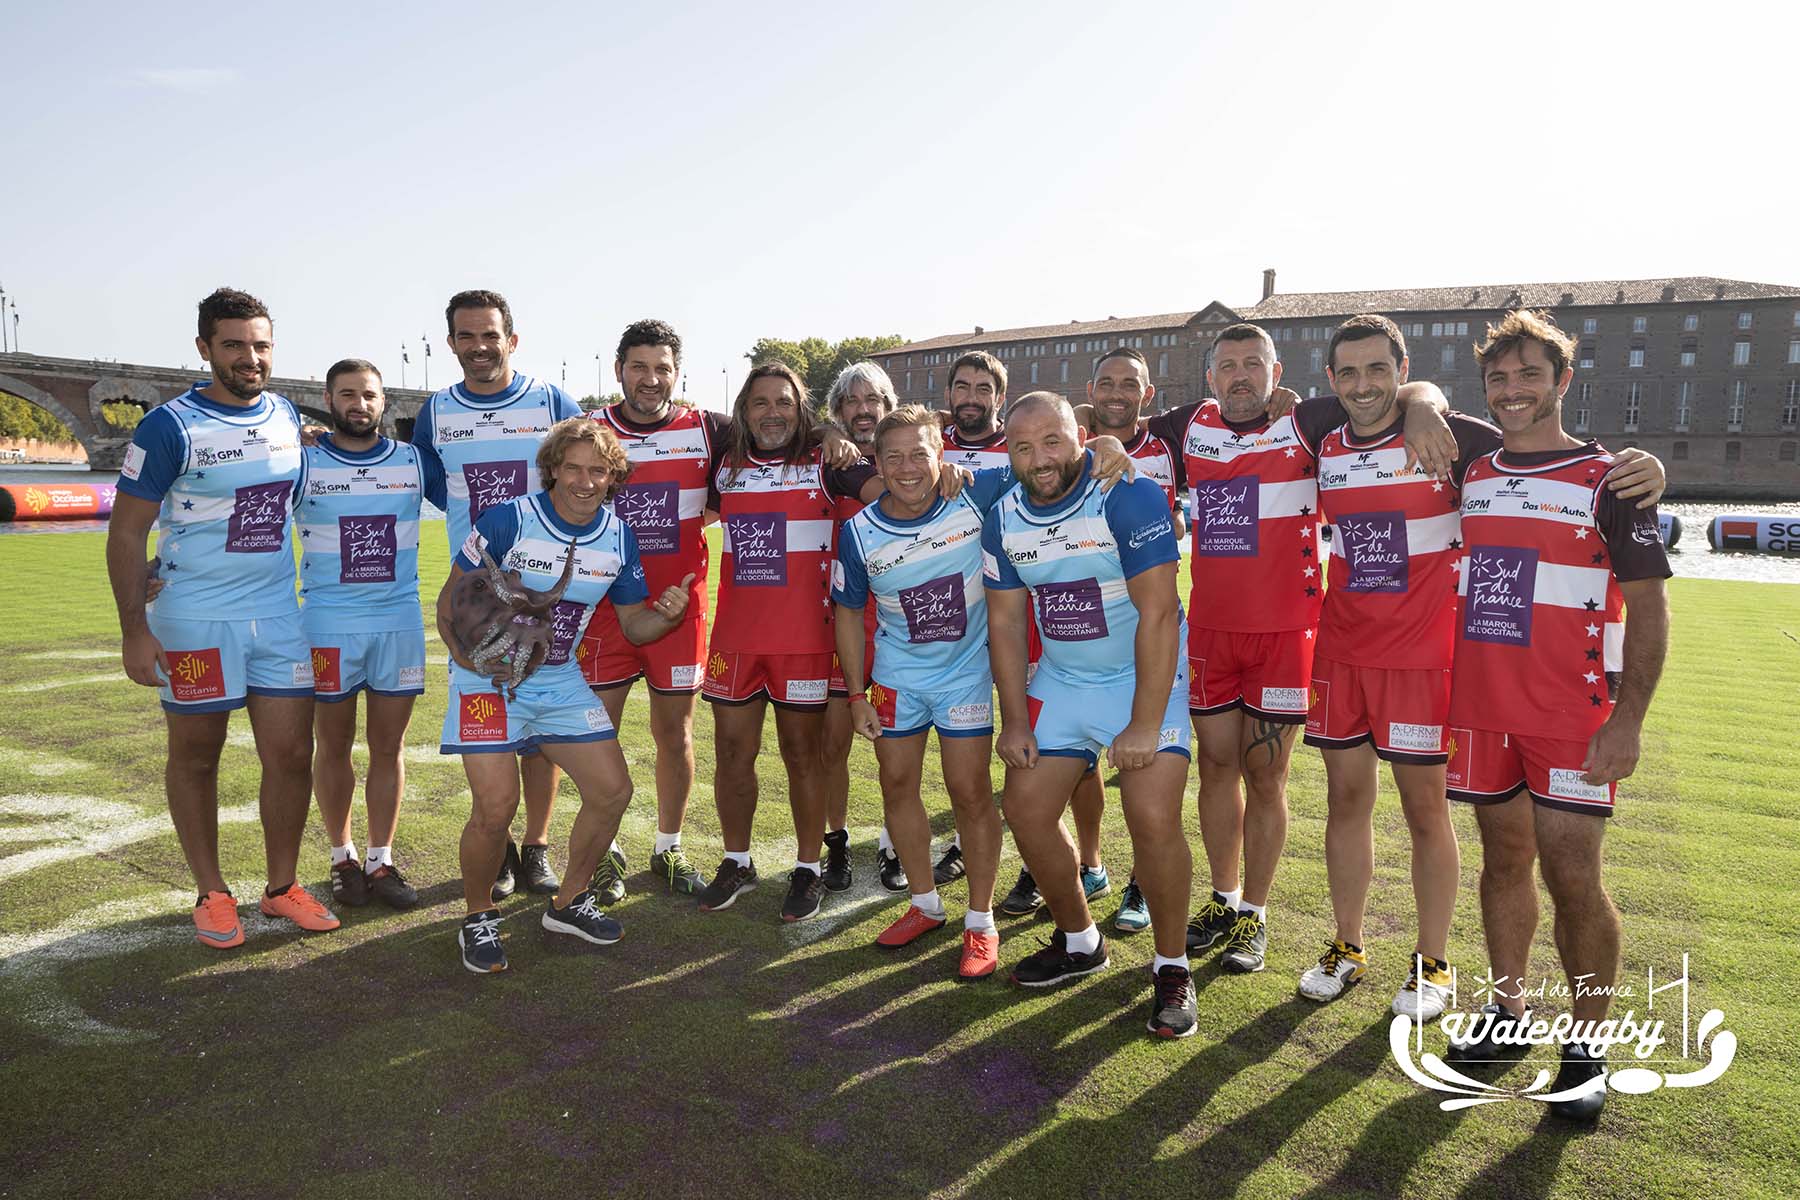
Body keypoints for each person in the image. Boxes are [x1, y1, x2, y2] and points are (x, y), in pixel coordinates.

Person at [1302, 315, 1667, 1019]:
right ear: (1330, 380)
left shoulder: (1466, 445)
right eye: (1348, 372)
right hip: (1354, 658)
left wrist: (1650, 468)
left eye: (1380, 369)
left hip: (1435, 666)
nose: (1362, 384)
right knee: (1373, 812)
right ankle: (1354, 951)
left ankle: (1439, 969)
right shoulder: (1333, 432)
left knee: (1456, 827)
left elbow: (1560, 471)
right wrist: (1419, 400)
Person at [1142, 324, 1457, 975]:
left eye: (1252, 364)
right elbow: (1122, 424)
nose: (1239, 376)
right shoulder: (1188, 426)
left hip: (1288, 634)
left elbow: (1398, 395)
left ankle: (1255, 915)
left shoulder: (1306, 421)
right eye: (1226, 366)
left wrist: (1426, 401)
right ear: (1209, 378)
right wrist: (1089, 418)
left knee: (1267, 776)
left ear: (1275, 369)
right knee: (1215, 769)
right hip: (1211, 632)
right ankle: (1224, 900)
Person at [1441, 310, 1671, 1122]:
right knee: (1502, 863)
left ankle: (1586, 1048)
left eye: (1530, 375)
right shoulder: (1469, 465)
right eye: (1499, 378)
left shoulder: (1612, 479)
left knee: (1574, 876)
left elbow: (1648, 608)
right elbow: (1403, 399)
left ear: (1563, 381)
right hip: (1482, 709)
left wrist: (1628, 719)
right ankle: (1508, 1017)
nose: (1513, 391)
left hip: (1573, 714)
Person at [106, 287, 338, 947]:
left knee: (294, 754)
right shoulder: (168, 426)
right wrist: (133, 631)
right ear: (205, 348)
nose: (249, 357)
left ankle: (282, 887)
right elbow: (126, 535)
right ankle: (211, 892)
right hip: (196, 620)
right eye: (233, 345)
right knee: (199, 754)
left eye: (260, 345)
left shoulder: (288, 415)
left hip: (276, 614)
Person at [437, 418, 693, 973]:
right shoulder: (509, 519)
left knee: (612, 791)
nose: (584, 480)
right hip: (488, 683)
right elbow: (449, 602)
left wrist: (665, 616)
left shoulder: (618, 536)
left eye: (597, 470)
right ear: (552, 469)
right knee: (495, 807)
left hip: (558, 681)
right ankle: (478, 917)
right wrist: (476, 665)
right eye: (573, 468)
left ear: (612, 476)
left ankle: (569, 901)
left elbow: (633, 627)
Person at [982, 392, 1199, 1039]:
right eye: (1023, 448)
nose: (1040, 459)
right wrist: (1015, 720)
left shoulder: (1125, 493)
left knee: (1154, 815)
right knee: (1024, 808)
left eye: (1052, 442)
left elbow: (1160, 614)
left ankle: (1171, 966)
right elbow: (1005, 620)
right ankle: (1081, 942)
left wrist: (1141, 721)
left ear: (1080, 435)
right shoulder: (1004, 514)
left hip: (1144, 676)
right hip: (1065, 681)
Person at [699, 362, 944, 922]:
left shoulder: (824, 461)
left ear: (801, 408)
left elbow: (888, 488)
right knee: (733, 755)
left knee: (803, 758)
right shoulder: (725, 461)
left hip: (806, 641)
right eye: (760, 402)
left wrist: (938, 481)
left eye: (784, 402)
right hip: (735, 639)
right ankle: (737, 860)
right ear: (744, 409)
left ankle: (808, 868)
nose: (772, 412)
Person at [413, 290, 583, 901]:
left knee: (541, 736)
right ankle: (504, 847)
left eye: (490, 335)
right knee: (491, 730)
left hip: (544, 597)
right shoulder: (435, 413)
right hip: (478, 601)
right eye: (466, 336)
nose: (479, 347)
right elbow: (438, 487)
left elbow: (588, 467)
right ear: (451, 343)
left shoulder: (551, 402)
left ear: (512, 339)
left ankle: (536, 847)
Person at [935, 351, 1113, 921]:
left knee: (1075, 764)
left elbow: (1082, 452)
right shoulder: (962, 460)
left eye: (982, 387)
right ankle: (1038, 865)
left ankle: (1088, 862)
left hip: (1051, 632)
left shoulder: (1027, 449)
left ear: (998, 396)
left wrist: (1108, 446)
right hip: (983, 627)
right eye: (961, 385)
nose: (971, 394)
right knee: (1025, 763)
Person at [833, 406, 1004, 977]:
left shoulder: (975, 496)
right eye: (895, 457)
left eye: (920, 454)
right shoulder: (858, 531)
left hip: (965, 676)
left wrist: (1106, 447)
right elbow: (848, 612)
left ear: (942, 457)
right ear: (877, 463)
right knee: (897, 785)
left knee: (970, 791)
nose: (908, 468)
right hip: (897, 679)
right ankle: (925, 905)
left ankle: (980, 922)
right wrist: (856, 695)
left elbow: (1057, 460)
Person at [574, 320, 720, 900]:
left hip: (679, 610)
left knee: (675, 735)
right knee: (595, 737)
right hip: (603, 613)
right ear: (618, 372)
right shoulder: (588, 431)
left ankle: (669, 846)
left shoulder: (708, 429)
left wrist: (832, 433)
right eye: (639, 367)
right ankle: (604, 851)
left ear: (676, 374)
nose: (651, 379)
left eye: (662, 368)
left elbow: (781, 436)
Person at [297, 359, 427, 910]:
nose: (359, 404)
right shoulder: (301, 461)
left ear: (384, 403)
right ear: (328, 399)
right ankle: (342, 857)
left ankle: (381, 859)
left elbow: (478, 499)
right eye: (347, 394)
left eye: (369, 395)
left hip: (397, 622)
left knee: (388, 747)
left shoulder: (414, 461)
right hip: (328, 624)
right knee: (332, 744)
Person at [1076, 346, 1186, 932]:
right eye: (1106, 382)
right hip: (1076, 626)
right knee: (1073, 760)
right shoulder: (1067, 442)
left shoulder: (1174, 437)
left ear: (1148, 394)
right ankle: (1089, 863)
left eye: (1130, 384)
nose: (1116, 392)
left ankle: (1142, 886)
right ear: (1091, 389)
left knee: (1148, 782)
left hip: (1150, 622)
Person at [819, 362, 904, 893]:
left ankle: (895, 844)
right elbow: (775, 421)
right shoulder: (825, 456)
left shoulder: (910, 455)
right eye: (851, 401)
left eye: (874, 398)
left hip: (900, 624)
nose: (864, 408)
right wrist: (824, 432)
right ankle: (837, 845)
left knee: (896, 751)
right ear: (838, 410)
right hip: (841, 622)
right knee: (833, 747)